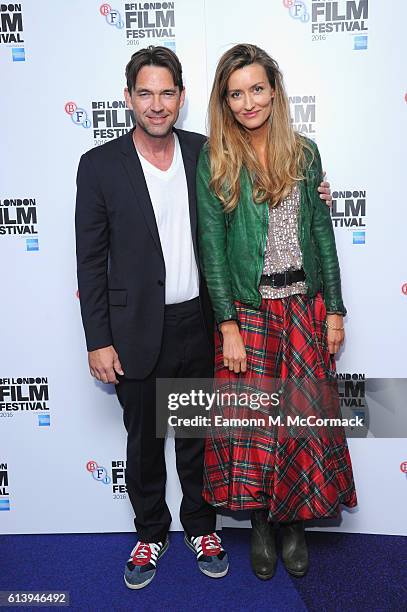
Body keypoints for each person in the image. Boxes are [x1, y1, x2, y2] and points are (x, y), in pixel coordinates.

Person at [196, 43, 357, 581]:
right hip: (250, 311)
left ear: (275, 90)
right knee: (254, 428)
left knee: (302, 425)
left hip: (304, 308)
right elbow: (213, 250)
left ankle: (295, 526)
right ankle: (263, 522)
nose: (248, 102)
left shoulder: (304, 154)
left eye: (257, 89)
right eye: (235, 93)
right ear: (224, 100)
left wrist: (334, 309)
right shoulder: (215, 159)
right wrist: (227, 324)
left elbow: (321, 234)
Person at [75, 46, 230, 590]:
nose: (157, 104)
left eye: (167, 93)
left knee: (194, 435)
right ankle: (150, 532)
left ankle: (201, 526)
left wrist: (311, 194)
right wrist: (98, 340)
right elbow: (90, 260)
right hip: (134, 329)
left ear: (182, 98)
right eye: (146, 93)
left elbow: (254, 202)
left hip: (198, 322)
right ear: (128, 99)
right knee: (144, 442)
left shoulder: (206, 153)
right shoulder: (98, 166)